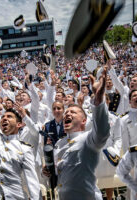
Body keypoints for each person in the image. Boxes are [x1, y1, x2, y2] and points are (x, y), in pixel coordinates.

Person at [44, 64, 110, 200]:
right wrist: (48, 171)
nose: (67, 115)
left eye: (73, 112)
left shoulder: (89, 139)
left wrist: (98, 100)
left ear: (84, 121)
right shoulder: (59, 144)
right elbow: (61, 172)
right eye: (66, 113)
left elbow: (102, 131)